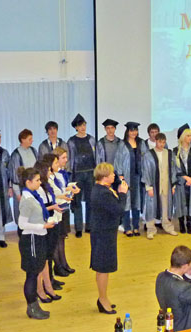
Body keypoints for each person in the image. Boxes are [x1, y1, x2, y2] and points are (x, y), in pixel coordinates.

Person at [17, 167, 55, 320]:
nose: (40, 182)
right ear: (28, 182)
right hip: (31, 239)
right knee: (32, 275)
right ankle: (31, 308)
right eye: (37, 180)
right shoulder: (27, 200)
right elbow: (22, 224)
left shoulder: (33, 196)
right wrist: (42, 226)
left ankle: (35, 306)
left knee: (35, 272)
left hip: (38, 237)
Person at [90, 162, 128, 314]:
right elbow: (119, 209)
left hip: (104, 232)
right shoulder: (103, 193)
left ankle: (104, 297)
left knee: (103, 268)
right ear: (105, 176)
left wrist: (119, 183)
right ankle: (102, 299)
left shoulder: (102, 188)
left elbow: (117, 179)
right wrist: (123, 194)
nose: (114, 175)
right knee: (103, 268)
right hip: (103, 234)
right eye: (111, 173)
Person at [155, 245, 191, 331]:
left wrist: (189, 274)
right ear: (184, 266)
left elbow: (178, 285)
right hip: (188, 329)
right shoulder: (183, 289)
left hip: (172, 326)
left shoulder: (160, 277)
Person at [33, 157, 64, 304]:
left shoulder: (46, 186)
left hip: (52, 222)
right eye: (48, 171)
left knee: (47, 257)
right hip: (43, 225)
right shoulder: (37, 189)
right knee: (42, 259)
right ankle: (40, 289)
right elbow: (39, 208)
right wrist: (53, 207)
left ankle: (48, 286)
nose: (50, 172)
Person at [142, 133, 178, 240]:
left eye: (163, 142)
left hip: (166, 185)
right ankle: (151, 230)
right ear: (155, 141)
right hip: (154, 186)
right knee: (151, 208)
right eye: (159, 142)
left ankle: (168, 227)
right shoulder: (149, 154)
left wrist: (173, 185)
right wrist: (149, 187)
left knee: (166, 208)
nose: (161, 144)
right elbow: (146, 171)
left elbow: (173, 170)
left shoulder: (169, 154)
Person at [115, 121, 148, 237]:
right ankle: (127, 227)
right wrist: (120, 176)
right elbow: (118, 160)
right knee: (127, 202)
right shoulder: (122, 144)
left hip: (138, 177)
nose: (134, 132)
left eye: (135, 130)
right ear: (127, 131)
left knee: (137, 203)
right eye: (131, 130)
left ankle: (136, 227)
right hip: (126, 177)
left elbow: (146, 159)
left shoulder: (141, 143)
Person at [67, 113, 97, 237]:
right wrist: (70, 176)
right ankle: (78, 228)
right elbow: (70, 159)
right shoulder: (71, 141)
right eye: (80, 125)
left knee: (90, 201)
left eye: (84, 125)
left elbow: (97, 157)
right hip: (77, 174)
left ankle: (89, 226)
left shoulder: (91, 139)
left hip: (91, 173)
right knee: (77, 201)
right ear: (76, 127)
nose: (83, 127)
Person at [52, 147, 80, 277]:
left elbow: (65, 186)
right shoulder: (52, 175)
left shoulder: (62, 172)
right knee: (56, 238)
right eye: (63, 157)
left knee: (62, 237)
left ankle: (64, 263)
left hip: (65, 207)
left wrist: (71, 188)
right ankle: (57, 265)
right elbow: (56, 192)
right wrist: (67, 191)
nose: (66, 160)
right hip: (57, 208)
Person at [173, 124, 191, 234]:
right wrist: (186, 178)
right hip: (181, 182)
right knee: (180, 203)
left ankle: (189, 223)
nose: (190, 138)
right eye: (188, 136)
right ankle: (181, 223)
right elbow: (175, 168)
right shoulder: (175, 152)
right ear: (183, 137)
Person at [9, 129, 38, 233]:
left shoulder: (33, 151)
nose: (32, 141)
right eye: (30, 139)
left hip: (34, 188)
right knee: (22, 213)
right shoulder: (16, 154)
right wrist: (17, 193)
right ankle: (22, 234)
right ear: (23, 140)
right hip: (22, 189)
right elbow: (14, 175)